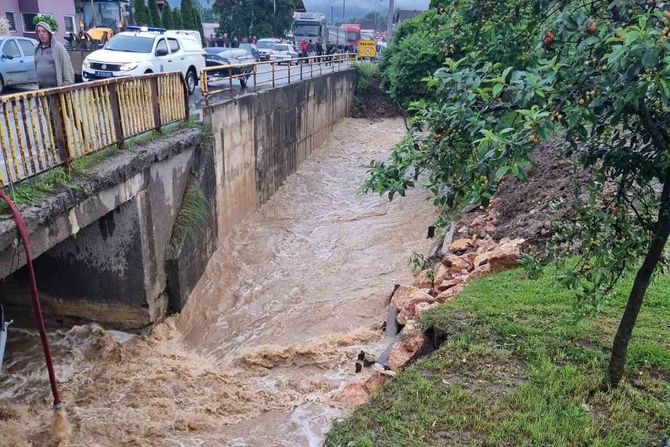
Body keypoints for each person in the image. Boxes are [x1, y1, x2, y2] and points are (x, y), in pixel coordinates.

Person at [34, 21, 75, 89]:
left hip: (57, 90)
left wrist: (66, 87)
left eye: (44, 31)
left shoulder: (58, 48)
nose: (41, 34)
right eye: (39, 31)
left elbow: (67, 68)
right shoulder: (36, 49)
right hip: (42, 90)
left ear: (49, 33)